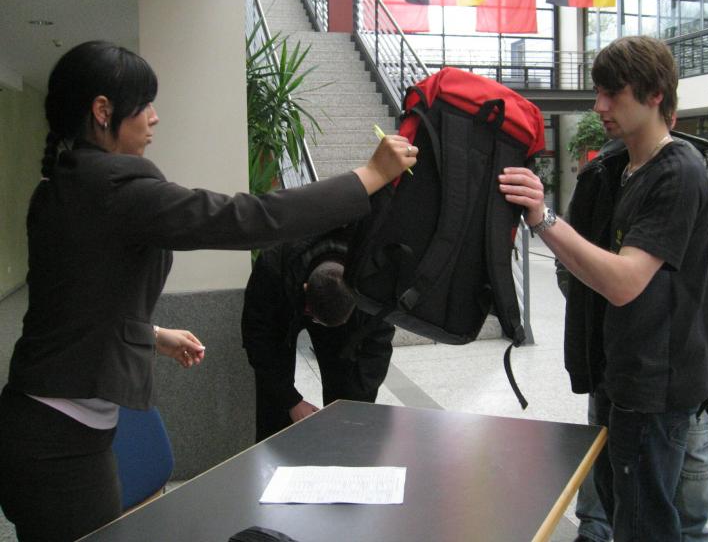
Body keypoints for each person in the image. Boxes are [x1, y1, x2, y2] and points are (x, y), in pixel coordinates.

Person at [0, 40, 417, 542]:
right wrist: (370, 176)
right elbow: (248, 219)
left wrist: (152, 334)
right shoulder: (114, 188)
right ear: (103, 111)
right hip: (59, 442)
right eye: (144, 104)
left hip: (45, 423)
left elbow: (74, 297)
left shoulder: (62, 186)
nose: (154, 117)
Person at [498, 36, 708, 541]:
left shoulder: (677, 173)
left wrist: (543, 218)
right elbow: (593, 276)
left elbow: (624, 282)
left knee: (644, 524)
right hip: (622, 372)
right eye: (598, 92)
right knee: (621, 508)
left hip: (655, 385)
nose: (600, 106)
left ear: (655, 94)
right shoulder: (622, 169)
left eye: (613, 93)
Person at [563, 130, 708, 542]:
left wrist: (698, 316)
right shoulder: (604, 170)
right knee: (604, 444)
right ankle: (596, 528)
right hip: (614, 348)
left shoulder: (697, 169)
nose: (602, 107)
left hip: (682, 352)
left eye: (614, 98)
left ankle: (692, 533)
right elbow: (575, 253)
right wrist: (597, 315)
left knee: (692, 451)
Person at [241, 229, 395, 441]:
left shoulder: (374, 276)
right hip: (284, 294)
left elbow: (377, 346)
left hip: (343, 295)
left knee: (348, 396)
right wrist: (290, 401)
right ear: (305, 289)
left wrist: (353, 409)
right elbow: (259, 340)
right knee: (274, 410)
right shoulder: (274, 265)